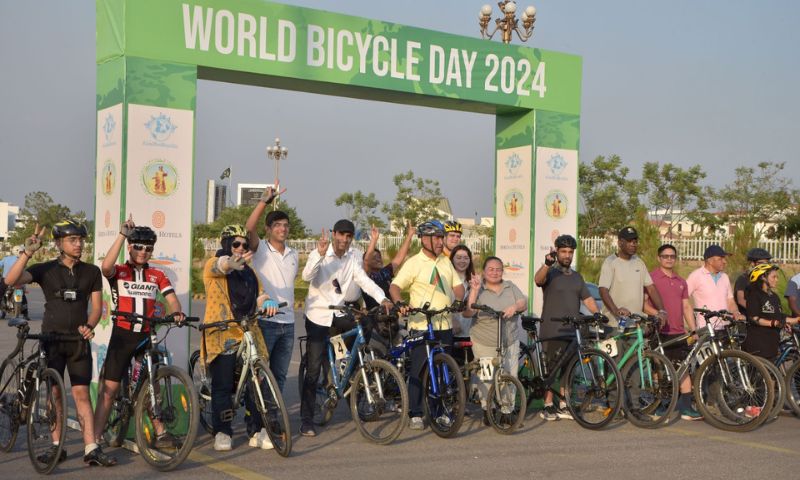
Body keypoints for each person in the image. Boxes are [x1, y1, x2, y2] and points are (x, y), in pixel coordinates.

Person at [3, 221, 114, 466]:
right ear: (58, 244)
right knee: (55, 394)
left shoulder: (92, 272)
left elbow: (96, 308)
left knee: (82, 394)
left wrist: (90, 326)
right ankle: (56, 446)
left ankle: (91, 447)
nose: (79, 244)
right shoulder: (46, 269)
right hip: (52, 340)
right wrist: (28, 251)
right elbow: (11, 279)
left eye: (81, 239)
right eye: (72, 240)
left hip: (77, 342)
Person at [92, 218, 187, 454]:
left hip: (146, 336)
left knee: (152, 385)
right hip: (122, 336)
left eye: (148, 248)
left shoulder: (157, 274)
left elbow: (172, 297)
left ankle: (161, 432)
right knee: (110, 391)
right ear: (130, 247)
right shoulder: (120, 271)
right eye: (138, 247)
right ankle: (93, 439)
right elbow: (105, 267)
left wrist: (177, 312)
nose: (143, 252)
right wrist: (122, 235)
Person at [300, 219, 393, 437]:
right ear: (334, 234)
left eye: (348, 236)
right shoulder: (322, 252)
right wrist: (319, 255)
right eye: (341, 235)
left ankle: (347, 370)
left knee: (366, 324)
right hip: (318, 314)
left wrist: (383, 299)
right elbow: (306, 277)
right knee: (313, 368)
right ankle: (306, 419)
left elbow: (363, 280)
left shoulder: (354, 256)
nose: (344, 240)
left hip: (339, 312)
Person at [201, 224, 277, 451]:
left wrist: (267, 303)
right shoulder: (211, 266)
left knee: (257, 380)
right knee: (223, 384)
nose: (241, 248)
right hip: (222, 331)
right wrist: (231, 262)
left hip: (248, 331)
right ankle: (222, 431)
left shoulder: (250, 272)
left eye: (244, 245)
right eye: (236, 244)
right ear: (226, 244)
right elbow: (221, 265)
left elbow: (261, 294)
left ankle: (257, 430)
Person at [389, 220, 465, 430]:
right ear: (424, 239)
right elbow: (395, 286)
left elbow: (458, 287)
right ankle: (415, 412)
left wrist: (459, 299)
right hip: (421, 324)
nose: (441, 242)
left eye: (442, 238)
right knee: (419, 370)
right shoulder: (414, 262)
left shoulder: (445, 262)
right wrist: (400, 303)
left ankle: (439, 411)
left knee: (441, 371)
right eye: (438, 238)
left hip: (444, 324)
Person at [533, 234, 599, 421]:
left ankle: (563, 403)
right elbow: (538, 280)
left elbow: (587, 298)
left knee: (567, 369)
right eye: (563, 251)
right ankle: (547, 405)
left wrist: (597, 314)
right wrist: (547, 263)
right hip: (552, 329)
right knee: (551, 369)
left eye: (570, 252)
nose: (567, 255)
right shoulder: (551, 272)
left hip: (572, 331)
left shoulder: (577, 277)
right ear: (557, 251)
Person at [463, 256, 526, 425]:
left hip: (509, 340)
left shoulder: (510, 286)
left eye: (498, 269)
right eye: (491, 269)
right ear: (484, 271)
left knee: (510, 376)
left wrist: (515, 307)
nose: (495, 272)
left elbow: (523, 302)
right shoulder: (478, 288)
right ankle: (488, 408)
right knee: (487, 376)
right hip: (484, 341)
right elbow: (468, 312)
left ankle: (507, 410)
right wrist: (475, 290)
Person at [245, 185, 296, 393]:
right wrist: (263, 201)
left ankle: (273, 420)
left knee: (280, 377)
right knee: (259, 376)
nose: (282, 229)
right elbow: (248, 229)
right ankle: (255, 422)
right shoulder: (261, 249)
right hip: (266, 323)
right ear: (268, 229)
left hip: (289, 323)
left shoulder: (293, 254)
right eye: (277, 225)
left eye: (285, 225)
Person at [643, 244, 702, 421]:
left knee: (682, 368)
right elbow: (644, 305)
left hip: (678, 331)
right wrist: (660, 314)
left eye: (672, 256)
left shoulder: (681, 281)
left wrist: (693, 329)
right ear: (658, 258)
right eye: (665, 256)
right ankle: (660, 406)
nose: (669, 259)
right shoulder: (651, 279)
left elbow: (686, 306)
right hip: (658, 331)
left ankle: (686, 408)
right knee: (659, 369)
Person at [598, 226, 667, 328]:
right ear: (620, 243)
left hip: (636, 324)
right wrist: (616, 311)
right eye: (630, 241)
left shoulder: (639, 262)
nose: (633, 244)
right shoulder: (610, 262)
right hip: (615, 324)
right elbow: (603, 290)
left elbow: (651, 288)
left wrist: (662, 311)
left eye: (635, 241)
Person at [743, 264, 799, 360]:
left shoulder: (774, 296)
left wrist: (797, 319)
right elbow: (753, 318)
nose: (776, 280)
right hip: (758, 345)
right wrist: (772, 323)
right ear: (763, 277)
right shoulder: (754, 295)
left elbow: (780, 316)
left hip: (772, 344)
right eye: (773, 277)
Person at [686, 244, 745, 330]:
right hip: (706, 329)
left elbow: (730, 301)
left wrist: (736, 312)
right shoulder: (696, 276)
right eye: (720, 259)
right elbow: (683, 300)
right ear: (709, 261)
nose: (725, 262)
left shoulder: (724, 277)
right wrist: (692, 327)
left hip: (726, 328)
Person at [362, 221, 415, 309]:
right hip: (373, 317)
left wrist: (409, 236)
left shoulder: (385, 272)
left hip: (390, 316)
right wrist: (374, 240)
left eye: (379, 256)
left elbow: (399, 257)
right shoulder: (365, 275)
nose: (378, 259)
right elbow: (367, 261)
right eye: (374, 257)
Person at [734, 248, 772, 314]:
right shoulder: (743, 278)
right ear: (752, 263)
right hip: (746, 316)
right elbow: (740, 300)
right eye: (761, 263)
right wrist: (758, 311)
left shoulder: (763, 279)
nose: (765, 266)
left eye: (767, 263)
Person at [449, 244, 476, 340]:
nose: (462, 261)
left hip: (470, 334)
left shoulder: (474, 281)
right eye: (458, 257)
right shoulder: (445, 280)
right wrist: (452, 320)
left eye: (466, 258)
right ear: (452, 259)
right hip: (450, 332)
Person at [0, 245, 29, 319]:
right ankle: (26, 314)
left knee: (0, 293)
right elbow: (25, 271)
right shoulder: (23, 260)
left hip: (6, 280)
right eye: (21, 252)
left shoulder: (6, 258)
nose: (22, 253)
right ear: (17, 252)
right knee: (23, 296)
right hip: (18, 281)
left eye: (22, 252)